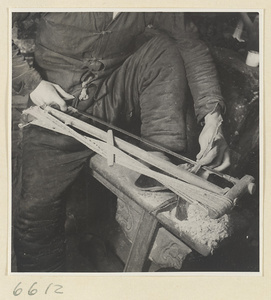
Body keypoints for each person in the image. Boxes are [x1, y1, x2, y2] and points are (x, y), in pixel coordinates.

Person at [12, 12, 230, 272]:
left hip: (110, 99)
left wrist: (213, 119)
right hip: (54, 112)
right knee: (35, 220)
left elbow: (191, 43)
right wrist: (32, 84)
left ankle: (159, 156)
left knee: (163, 48)